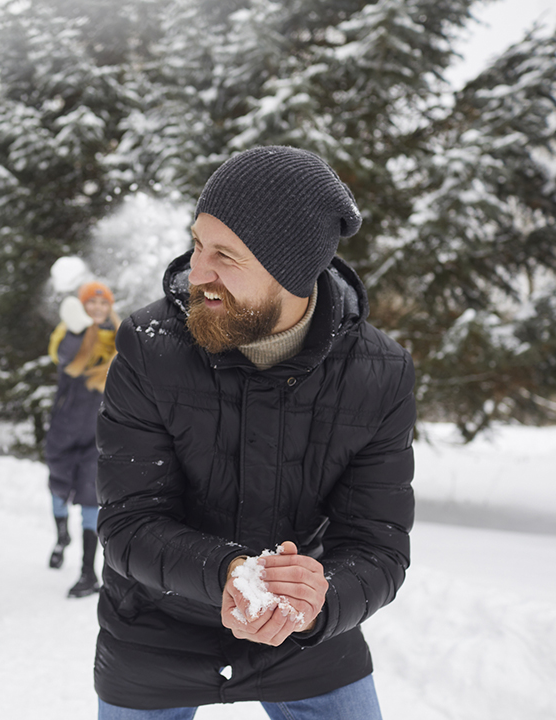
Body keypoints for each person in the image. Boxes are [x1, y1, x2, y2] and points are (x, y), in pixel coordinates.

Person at [93, 146, 416, 719]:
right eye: (197, 243)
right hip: (156, 626)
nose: (198, 272)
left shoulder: (379, 375)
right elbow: (127, 523)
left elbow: (377, 545)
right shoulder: (149, 347)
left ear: (291, 270)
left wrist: (321, 601)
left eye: (226, 254)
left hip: (302, 631)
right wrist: (228, 574)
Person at [45, 281, 119, 598]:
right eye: (92, 303)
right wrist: (79, 329)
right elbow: (67, 359)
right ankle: (62, 535)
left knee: (91, 497)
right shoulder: (69, 335)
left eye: (103, 304)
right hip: (64, 426)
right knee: (59, 487)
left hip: (97, 431)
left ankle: (88, 573)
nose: (98, 309)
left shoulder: (119, 339)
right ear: (83, 306)